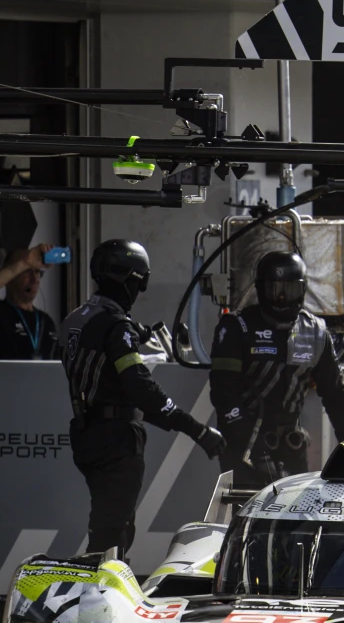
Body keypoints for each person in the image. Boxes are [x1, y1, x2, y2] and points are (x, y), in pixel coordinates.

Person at [60, 239, 223, 557]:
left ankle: (102, 589)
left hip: (86, 433)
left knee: (112, 526)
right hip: (116, 440)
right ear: (132, 280)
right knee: (111, 532)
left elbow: (105, 375)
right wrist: (197, 430)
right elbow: (140, 388)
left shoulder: (77, 319)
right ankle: (96, 596)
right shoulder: (116, 327)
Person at [210, 251, 344, 491]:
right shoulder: (237, 326)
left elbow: (336, 394)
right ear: (260, 290)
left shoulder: (316, 331)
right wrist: (248, 442)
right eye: (274, 289)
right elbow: (223, 391)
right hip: (243, 443)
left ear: (302, 290)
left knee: (295, 516)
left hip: (291, 444)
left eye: (288, 290)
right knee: (248, 514)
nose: (281, 298)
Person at [0, 243, 59, 360]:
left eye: (37, 271)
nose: (34, 279)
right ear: (9, 275)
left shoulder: (46, 321)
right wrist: (25, 262)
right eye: (27, 271)